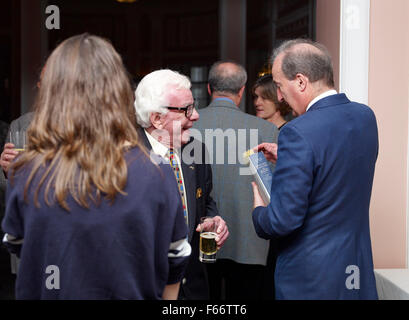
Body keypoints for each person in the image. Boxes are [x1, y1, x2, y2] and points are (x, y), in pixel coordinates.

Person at [1, 33, 191, 300]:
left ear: (51, 92)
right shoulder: (156, 173)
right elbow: (176, 260)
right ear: (117, 91)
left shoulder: (26, 172)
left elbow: (19, 245)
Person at [251, 38, 379, 299]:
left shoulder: (297, 132)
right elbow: (338, 163)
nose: (279, 96)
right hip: (355, 268)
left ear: (300, 81)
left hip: (311, 278)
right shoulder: (365, 116)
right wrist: (290, 156)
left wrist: (258, 211)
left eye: (278, 85)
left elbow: (281, 221)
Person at [134, 69, 229, 300]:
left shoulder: (196, 151)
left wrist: (212, 220)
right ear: (157, 118)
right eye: (186, 109)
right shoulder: (124, 158)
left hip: (193, 287)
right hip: (146, 287)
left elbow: (205, 202)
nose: (195, 115)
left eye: (194, 106)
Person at [193, 61, 278, 300]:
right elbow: (274, 190)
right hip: (249, 241)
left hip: (201, 237)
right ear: (242, 90)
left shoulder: (187, 128)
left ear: (209, 89)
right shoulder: (266, 130)